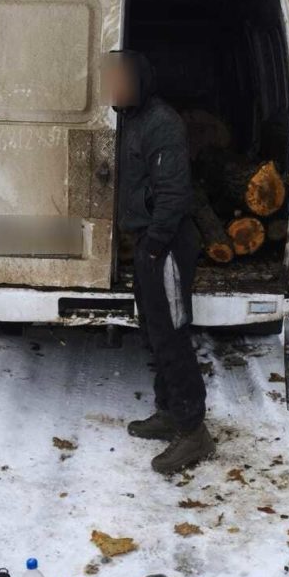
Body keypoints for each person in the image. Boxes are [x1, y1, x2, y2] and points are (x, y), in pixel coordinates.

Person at [104, 50, 215, 475]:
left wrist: (153, 247)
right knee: (153, 331)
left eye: (120, 81)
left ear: (140, 82)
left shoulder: (161, 122)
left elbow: (174, 193)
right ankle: (169, 411)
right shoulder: (132, 119)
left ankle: (193, 431)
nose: (112, 89)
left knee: (171, 334)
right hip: (149, 242)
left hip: (165, 244)